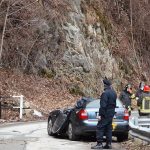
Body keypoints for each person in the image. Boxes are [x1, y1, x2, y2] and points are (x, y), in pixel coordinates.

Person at [91, 78, 117, 149]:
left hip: (105, 113)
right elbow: (114, 104)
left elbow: (103, 106)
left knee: (100, 127)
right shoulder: (114, 93)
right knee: (109, 128)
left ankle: (99, 144)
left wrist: (100, 115)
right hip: (111, 113)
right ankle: (108, 144)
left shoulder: (105, 93)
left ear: (105, 86)